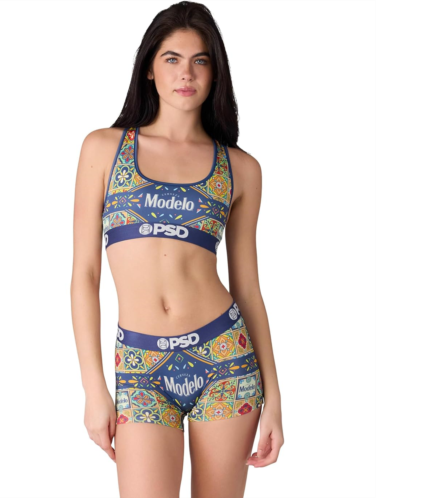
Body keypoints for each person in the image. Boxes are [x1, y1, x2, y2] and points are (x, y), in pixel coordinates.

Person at [71, 2, 284, 497]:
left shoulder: (240, 169)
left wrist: (274, 397)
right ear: (149, 67)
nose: (186, 73)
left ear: (215, 72)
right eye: (172, 59)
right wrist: (93, 388)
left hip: (225, 361)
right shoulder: (104, 149)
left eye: (200, 60)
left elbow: (248, 289)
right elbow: (84, 275)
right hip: (141, 368)